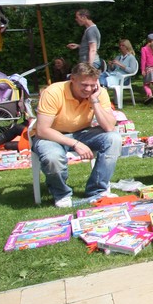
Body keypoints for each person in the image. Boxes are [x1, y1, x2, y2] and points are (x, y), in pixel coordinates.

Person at [32, 62, 121, 208]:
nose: (88, 89)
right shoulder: (53, 92)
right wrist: (75, 144)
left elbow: (109, 127)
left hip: (82, 132)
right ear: (72, 79)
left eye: (92, 85)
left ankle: (97, 189)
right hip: (51, 136)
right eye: (84, 85)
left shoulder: (99, 93)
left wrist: (95, 101)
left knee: (114, 138)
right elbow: (42, 130)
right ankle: (61, 194)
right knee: (53, 157)